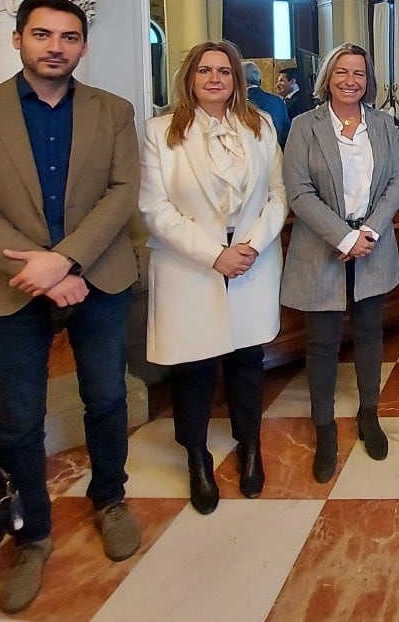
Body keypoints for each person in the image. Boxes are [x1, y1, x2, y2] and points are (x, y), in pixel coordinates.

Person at [0, 0, 142, 613]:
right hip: (9, 286)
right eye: (43, 35)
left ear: (83, 45)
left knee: (106, 398)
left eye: (70, 37)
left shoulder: (113, 111)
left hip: (97, 279)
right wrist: (48, 273)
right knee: (18, 420)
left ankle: (109, 497)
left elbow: (122, 190)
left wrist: (69, 259)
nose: (56, 46)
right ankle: (32, 532)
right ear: (18, 39)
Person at [139, 41, 287, 516]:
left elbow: (278, 193)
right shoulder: (161, 133)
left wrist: (251, 246)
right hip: (190, 264)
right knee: (194, 368)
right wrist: (213, 255)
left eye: (224, 70)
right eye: (205, 70)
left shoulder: (259, 126)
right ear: (189, 78)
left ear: (237, 80)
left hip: (250, 260)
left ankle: (249, 446)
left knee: (248, 361)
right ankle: (197, 457)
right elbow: (154, 208)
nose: (215, 78)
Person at [281, 44, 399, 480]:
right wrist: (344, 236)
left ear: (367, 79)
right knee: (323, 343)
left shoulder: (384, 124)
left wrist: (367, 232)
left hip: (373, 245)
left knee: (371, 334)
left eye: (359, 73)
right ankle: (324, 426)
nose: (351, 80)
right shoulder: (303, 125)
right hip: (323, 248)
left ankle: (369, 414)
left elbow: (395, 181)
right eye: (342, 72)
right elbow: (297, 190)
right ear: (327, 78)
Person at [243, 60, 290, 148]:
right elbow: (287, 133)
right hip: (276, 154)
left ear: (240, 80)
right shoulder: (277, 101)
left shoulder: (238, 103)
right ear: (260, 81)